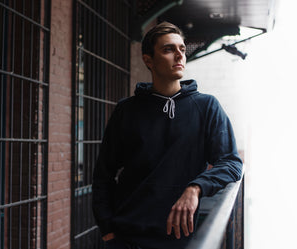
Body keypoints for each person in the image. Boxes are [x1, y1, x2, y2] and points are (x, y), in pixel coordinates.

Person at [92, 21, 243, 249]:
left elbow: (231, 163)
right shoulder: (127, 110)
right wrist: (107, 230)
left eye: (181, 49)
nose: (179, 55)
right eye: (168, 49)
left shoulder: (206, 107)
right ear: (148, 60)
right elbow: (103, 175)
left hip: (178, 240)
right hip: (126, 238)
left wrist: (196, 187)